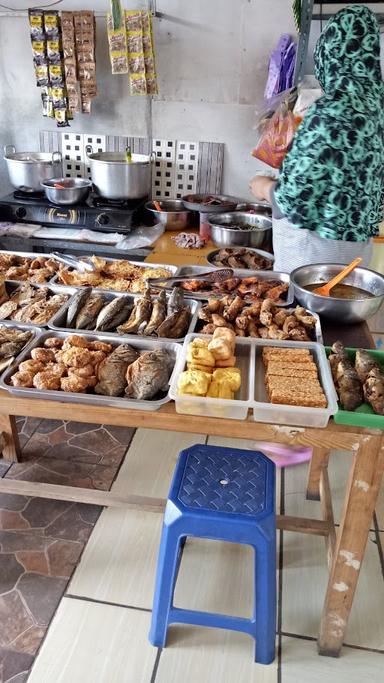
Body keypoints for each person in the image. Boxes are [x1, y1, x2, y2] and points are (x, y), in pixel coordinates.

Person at [250, 5, 384, 273]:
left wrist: (262, 186)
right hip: (355, 258)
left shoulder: (331, 112)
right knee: (341, 312)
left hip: (310, 261)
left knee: (302, 316)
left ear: (328, 55)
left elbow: (291, 202)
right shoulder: (377, 112)